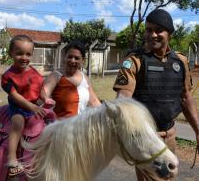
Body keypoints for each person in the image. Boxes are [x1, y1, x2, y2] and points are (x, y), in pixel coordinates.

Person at [113, 9, 199, 181]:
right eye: (148, 29)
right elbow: (124, 98)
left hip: (170, 134)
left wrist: (198, 130)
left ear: (170, 34)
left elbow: (186, 97)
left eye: (158, 30)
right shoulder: (135, 61)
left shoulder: (180, 61)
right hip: (146, 139)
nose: (152, 35)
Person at [1, 35, 47, 176]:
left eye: (28, 54)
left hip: (33, 105)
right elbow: (15, 96)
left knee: (52, 123)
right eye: (19, 53)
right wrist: (32, 107)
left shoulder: (34, 73)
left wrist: (44, 98)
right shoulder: (7, 76)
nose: (24, 57)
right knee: (18, 124)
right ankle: (12, 158)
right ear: (11, 53)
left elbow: (41, 88)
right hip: (19, 107)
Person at [41, 40, 101, 118]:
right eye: (70, 57)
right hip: (59, 127)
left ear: (82, 61)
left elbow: (94, 102)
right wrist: (46, 99)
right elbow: (44, 94)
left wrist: (107, 112)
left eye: (77, 58)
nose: (72, 61)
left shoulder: (85, 78)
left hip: (79, 126)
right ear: (64, 57)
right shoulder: (55, 76)